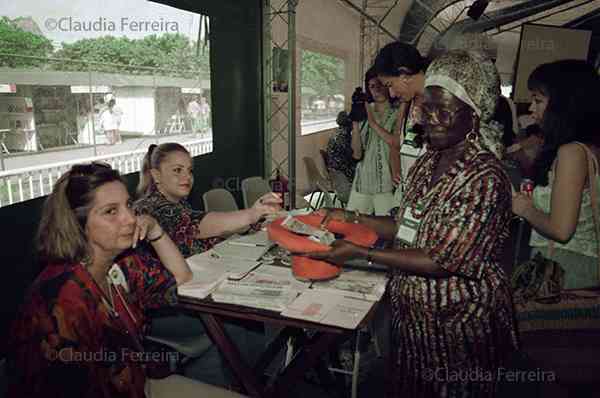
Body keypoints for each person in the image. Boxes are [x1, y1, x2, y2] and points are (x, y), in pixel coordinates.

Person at [311, 50, 518, 397]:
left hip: (458, 323)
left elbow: (443, 259)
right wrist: (355, 218)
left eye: (445, 109)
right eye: (427, 106)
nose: (429, 118)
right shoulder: (427, 163)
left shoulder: (484, 177)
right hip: (412, 322)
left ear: (474, 115)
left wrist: (363, 253)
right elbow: (405, 224)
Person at [6, 162, 243, 398]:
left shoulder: (122, 262)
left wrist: (155, 230)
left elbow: (181, 277)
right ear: (77, 224)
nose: (130, 218)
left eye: (128, 206)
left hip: (135, 385)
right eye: (111, 211)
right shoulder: (60, 302)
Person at [512, 59, 600, 289]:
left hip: (564, 269)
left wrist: (526, 209)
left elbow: (561, 230)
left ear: (564, 104)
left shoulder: (571, 153)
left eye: (538, 100)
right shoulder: (588, 148)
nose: (531, 108)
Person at [135, 143, 282, 257]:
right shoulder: (153, 208)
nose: (187, 177)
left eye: (189, 170)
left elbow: (214, 229)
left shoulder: (178, 203)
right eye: (177, 170)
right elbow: (199, 225)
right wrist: (252, 213)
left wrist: (257, 219)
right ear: (156, 175)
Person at [374, 41, 428, 202]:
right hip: (410, 197)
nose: (391, 94)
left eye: (390, 85)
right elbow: (398, 143)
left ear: (404, 75)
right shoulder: (408, 104)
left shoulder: (442, 105)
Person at [346, 67, 399, 216]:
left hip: (387, 184)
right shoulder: (364, 112)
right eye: (372, 86)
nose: (377, 89)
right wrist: (355, 123)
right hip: (362, 182)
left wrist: (373, 123)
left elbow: (397, 143)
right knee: (354, 229)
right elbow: (357, 155)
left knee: (388, 230)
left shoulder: (398, 113)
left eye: (381, 84)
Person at [325, 111, 357, 203]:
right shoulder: (345, 138)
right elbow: (355, 157)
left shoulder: (335, 134)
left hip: (338, 180)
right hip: (346, 184)